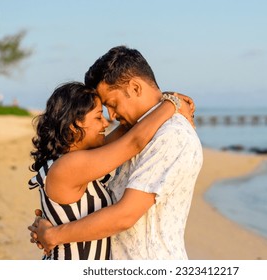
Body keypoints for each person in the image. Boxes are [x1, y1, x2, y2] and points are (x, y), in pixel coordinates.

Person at [29, 45, 203, 260]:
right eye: (99, 115)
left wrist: (169, 101)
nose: (108, 118)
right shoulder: (74, 162)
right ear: (74, 126)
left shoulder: (171, 135)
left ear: (135, 88)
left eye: (111, 105)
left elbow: (125, 213)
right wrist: (171, 102)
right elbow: (133, 141)